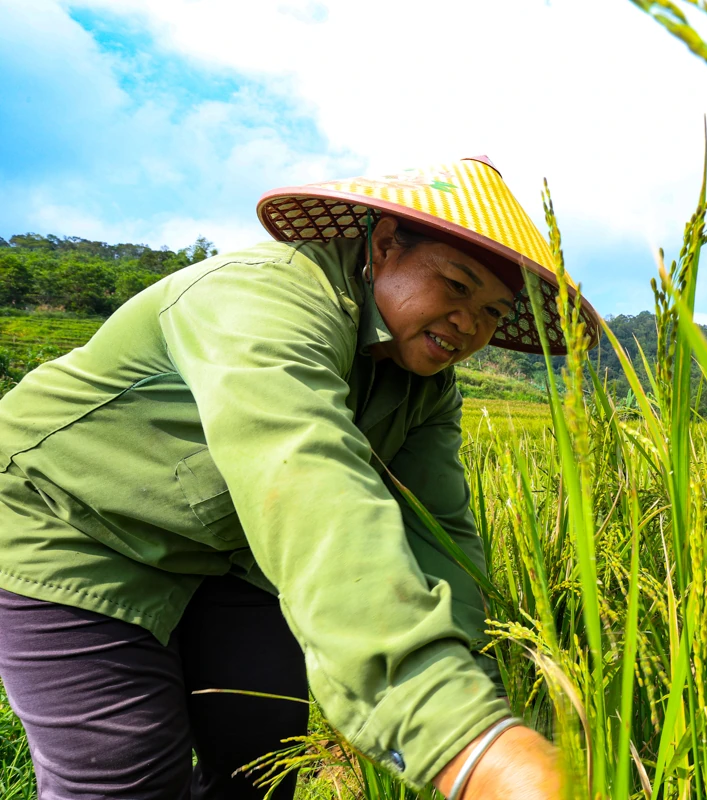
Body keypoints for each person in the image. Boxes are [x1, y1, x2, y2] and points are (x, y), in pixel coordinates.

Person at [0, 156, 600, 799]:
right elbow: (307, 479)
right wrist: (465, 746)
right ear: (387, 245)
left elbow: (441, 535)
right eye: (456, 286)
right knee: (127, 776)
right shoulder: (265, 298)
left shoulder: (428, 388)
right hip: (70, 524)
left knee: (265, 759)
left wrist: (481, 693)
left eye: (489, 311)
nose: (469, 324)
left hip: (230, 554)